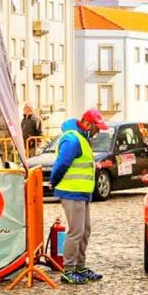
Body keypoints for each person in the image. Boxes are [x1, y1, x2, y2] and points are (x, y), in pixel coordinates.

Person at [50, 108, 108, 285]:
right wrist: (54, 182)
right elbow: (61, 164)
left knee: (85, 230)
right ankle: (69, 270)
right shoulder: (73, 139)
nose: (98, 132)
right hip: (71, 191)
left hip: (81, 192)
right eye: (97, 128)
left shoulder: (81, 138)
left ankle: (80, 267)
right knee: (76, 231)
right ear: (88, 124)